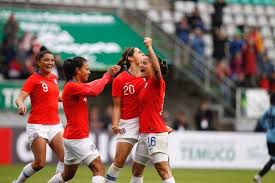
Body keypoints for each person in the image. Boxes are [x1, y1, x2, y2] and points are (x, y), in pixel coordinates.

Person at [48, 56, 120, 183]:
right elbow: (93, 90)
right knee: (99, 169)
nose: (89, 72)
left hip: (71, 137)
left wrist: (107, 76)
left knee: (67, 175)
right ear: (77, 70)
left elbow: (92, 85)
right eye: (87, 69)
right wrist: (107, 76)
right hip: (78, 138)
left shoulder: (75, 86)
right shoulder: (72, 87)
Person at [13, 46, 64, 183]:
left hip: (55, 125)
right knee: (39, 163)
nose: (50, 63)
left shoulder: (53, 78)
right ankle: (18, 182)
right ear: (38, 62)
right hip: (37, 125)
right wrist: (21, 105)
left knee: (66, 159)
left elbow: (55, 96)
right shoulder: (33, 79)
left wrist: (68, 97)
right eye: (46, 60)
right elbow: (19, 98)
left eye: (52, 60)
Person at [130, 37, 176, 183]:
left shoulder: (157, 82)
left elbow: (157, 68)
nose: (141, 65)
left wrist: (150, 47)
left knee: (162, 170)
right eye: (141, 62)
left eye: (145, 63)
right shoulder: (145, 84)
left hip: (154, 133)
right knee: (137, 170)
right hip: (145, 132)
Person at [106, 47, 144, 183]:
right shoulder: (120, 79)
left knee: (139, 167)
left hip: (146, 123)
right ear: (130, 58)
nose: (142, 54)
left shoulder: (148, 76)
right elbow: (117, 106)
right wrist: (115, 124)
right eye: (139, 52)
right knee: (119, 161)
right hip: (128, 123)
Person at [253, 92, 275, 183]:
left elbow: (261, 119)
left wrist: (268, 127)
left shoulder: (269, 110)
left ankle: (259, 176)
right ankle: (259, 176)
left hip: (269, 137)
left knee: (273, 159)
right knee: (273, 159)